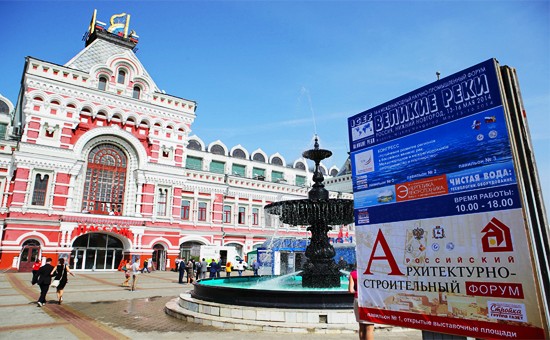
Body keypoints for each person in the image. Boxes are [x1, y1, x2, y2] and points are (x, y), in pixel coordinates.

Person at [349, 266, 374, 340]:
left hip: (358, 299)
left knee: (362, 327)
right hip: (369, 300)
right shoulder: (372, 273)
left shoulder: (353, 274)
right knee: (369, 328)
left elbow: (351, 290)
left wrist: (358, 292)